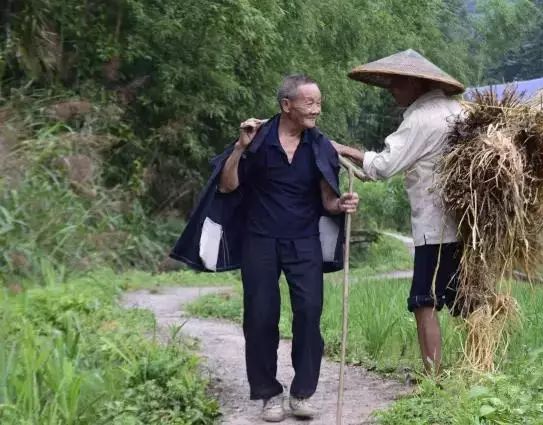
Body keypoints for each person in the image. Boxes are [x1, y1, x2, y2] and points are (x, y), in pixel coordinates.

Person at [170, 74, 358, 423]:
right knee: (259, 317)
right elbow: (227, 187)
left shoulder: (318, 146)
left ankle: (302, 394)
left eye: (319, 102)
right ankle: (269, 394)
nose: (317, 109)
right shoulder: (256, 140)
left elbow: (327, 201)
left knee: (309, 312)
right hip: (259, 241)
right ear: (287, 106)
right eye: (310, 102)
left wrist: (342, 204)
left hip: (303, 241)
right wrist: (239, 148)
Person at [331, 49, 465, 374]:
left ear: (414, 83)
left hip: (435, 227)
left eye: (396, 83)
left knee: (424, 300)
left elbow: (384, 166)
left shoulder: (421, 119)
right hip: (466, 224)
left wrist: (340, 148)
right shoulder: (457, 110)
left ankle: (433, 377)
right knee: (467, 299)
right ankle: (481, 370)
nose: (391, 90)